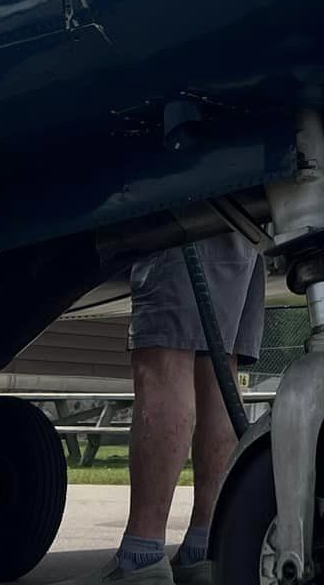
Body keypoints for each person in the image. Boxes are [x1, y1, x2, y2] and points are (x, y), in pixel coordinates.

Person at [86, 232, 265, 584]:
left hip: (188, 202)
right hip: (247, 218)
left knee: (163, 355)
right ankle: (203, 547)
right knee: (217, 364)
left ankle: (142, 555)